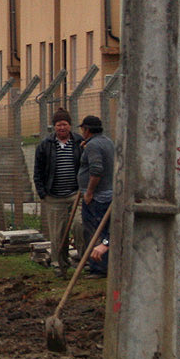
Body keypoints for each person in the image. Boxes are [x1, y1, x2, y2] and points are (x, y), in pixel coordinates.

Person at [33, 108, 82, 275]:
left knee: (79, 225)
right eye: (59, 125)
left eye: (65, 124)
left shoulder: (79, 142)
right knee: (58, 233)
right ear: (54, 127)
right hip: (54, 196)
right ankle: (59, 264)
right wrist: (43, 193)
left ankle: (84, 260)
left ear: (70, 125)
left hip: (75, 194)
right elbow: (37, 172)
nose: (62, 128)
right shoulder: (45, 145)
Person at [76, 114, 115, 277]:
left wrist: (89, 192)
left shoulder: (93, 146)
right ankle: (100, 264)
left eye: (83, 129)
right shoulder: (107, 142)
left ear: (87, 130)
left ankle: (98, 267)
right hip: (108, 193)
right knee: (105, 231)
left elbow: (97, 170)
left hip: (97, 196)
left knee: (94, 231)